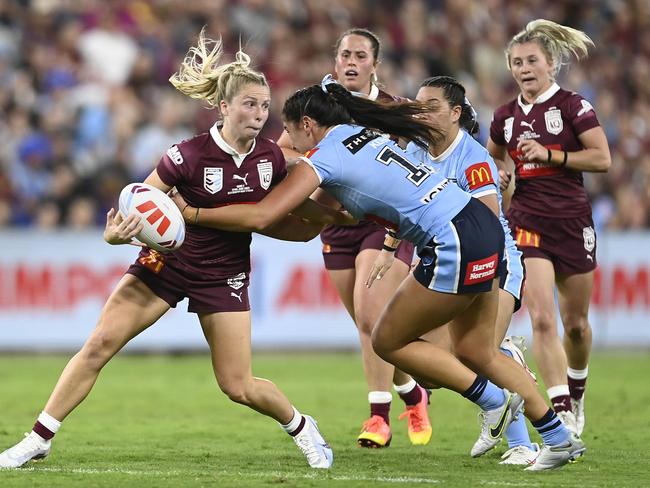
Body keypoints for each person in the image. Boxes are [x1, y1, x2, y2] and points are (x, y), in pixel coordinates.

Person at [172, 77, 586, 470]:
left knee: (388, 339)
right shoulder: (365, 135)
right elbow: (343, 214)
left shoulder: (326, 155)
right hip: (477, 227)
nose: (288, 141)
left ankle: (494, 401)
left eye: (290, 130)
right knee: (477, 352)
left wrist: (191, 212)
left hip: (451, 241)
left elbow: (263, 215)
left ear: (308, 125)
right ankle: (556, 436)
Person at [0, 30, 340, 470]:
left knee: (236, 385)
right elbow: (140, 203)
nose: (259, 114)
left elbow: (292, 214)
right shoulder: (186, 155)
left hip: (224, 272)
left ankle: (302, 427)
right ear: (224, 107)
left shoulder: (272, 161)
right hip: (168, 263)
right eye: (249, 104)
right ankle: (38, 437)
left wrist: (338, 217)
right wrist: (118, 234)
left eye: (263, 105)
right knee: (99, 344)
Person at [277, 28, 431, 449]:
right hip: (336, 220)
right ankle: (412, 391)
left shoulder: (392, 108)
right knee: (370, 325)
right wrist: (317, 165)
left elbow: (426, 155)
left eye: (360, 55)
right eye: (345, 53)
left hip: (382, 223)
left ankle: (378, 417)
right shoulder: (317, 103)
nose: (351, 61)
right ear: (335, 58)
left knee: (370, 313)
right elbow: (283, 151)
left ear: (374, 65)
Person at [395, 75, 536, 465]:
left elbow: (489, 223)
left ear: (456, 113)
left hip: (493, 261)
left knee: (479, 355)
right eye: (417, 105)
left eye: (432, 106)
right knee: (428, 370)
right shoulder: (418, 153)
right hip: (446, 263)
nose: (422, 113)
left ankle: (524, 444)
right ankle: (506, 358)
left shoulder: (472, 157)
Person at [487, 19, 611, 437]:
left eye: (532, 61)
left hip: (573, 221)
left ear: (551, 63)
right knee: (541, 317)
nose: (525, 68)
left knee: (575, 324)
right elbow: (494, 159)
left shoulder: (574, 106)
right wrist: (501, 175)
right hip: (527, 221)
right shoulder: (504, 117)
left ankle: (576, 392)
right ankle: (559, 410)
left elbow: (601, 158)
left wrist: (550, 155)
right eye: (517, 62)